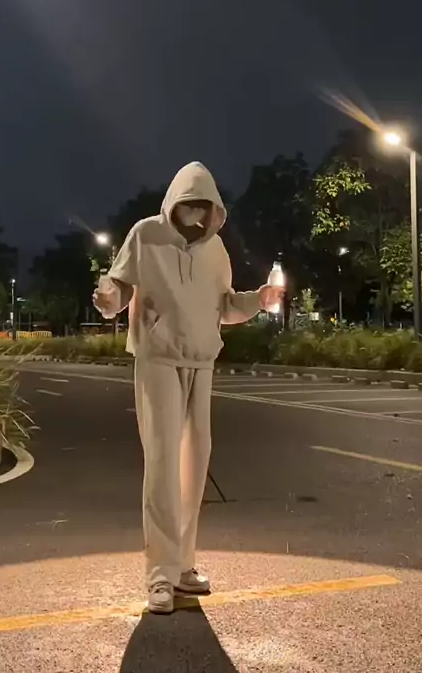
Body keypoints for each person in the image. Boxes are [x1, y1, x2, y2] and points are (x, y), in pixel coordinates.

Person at [93, 162, 284, 614]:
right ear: (175, 203)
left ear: (214, 210)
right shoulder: (146, 235)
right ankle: (159, 575)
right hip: (158, 358)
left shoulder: (216, 248)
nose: (197, 214)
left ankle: (181, 565)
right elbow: (120, 286)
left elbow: (225, 306)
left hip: (202, 360)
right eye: (191, 205)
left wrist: (258, 300)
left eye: (205, 207)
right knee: (162, 464)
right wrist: (109, 299)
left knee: (194, 468)